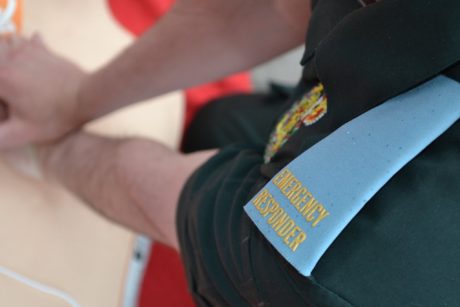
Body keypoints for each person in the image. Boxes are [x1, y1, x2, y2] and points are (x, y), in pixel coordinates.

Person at [0, 0, 459, 306]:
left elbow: (181, 202)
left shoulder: (347, 264)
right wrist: (76, 98)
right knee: (219, 125)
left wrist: (53, 148)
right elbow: (271, 10)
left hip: (341, 273)